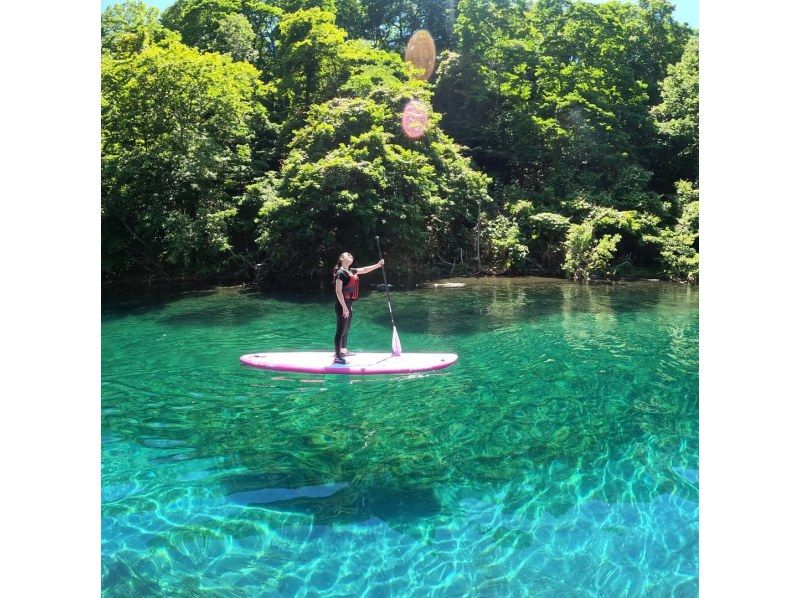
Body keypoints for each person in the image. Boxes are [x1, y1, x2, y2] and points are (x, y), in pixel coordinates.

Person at [332, 252, 384, 364]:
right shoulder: (340, 273)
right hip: (342, 306)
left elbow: (364, 270)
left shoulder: (350, 271)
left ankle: (344, 351)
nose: (351, 257)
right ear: (342, 258)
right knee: (340, 331)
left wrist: (378, 265)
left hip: (349, 305)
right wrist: (344, 308)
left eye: (352, 256)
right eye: (348, 255)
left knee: (346, 329)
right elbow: (338, 291)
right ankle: (337, 356)